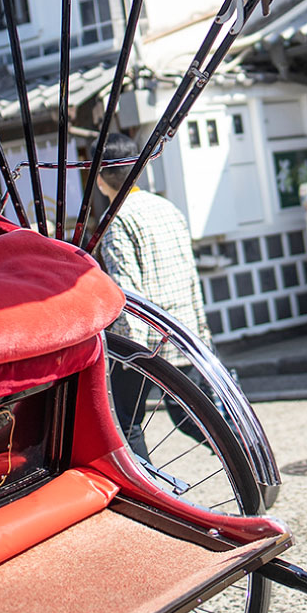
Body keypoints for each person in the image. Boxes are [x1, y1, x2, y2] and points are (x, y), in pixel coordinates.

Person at [96, 131, 212, 459]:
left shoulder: (116, 222)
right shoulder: (167, 208)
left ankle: (151, 494)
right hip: (183, 330)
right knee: (193, 418)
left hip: (145, 343)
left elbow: (127, 292)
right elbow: (191, 276)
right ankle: (247, 461)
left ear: (100, 179)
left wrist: (129, 354)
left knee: (126, 422)